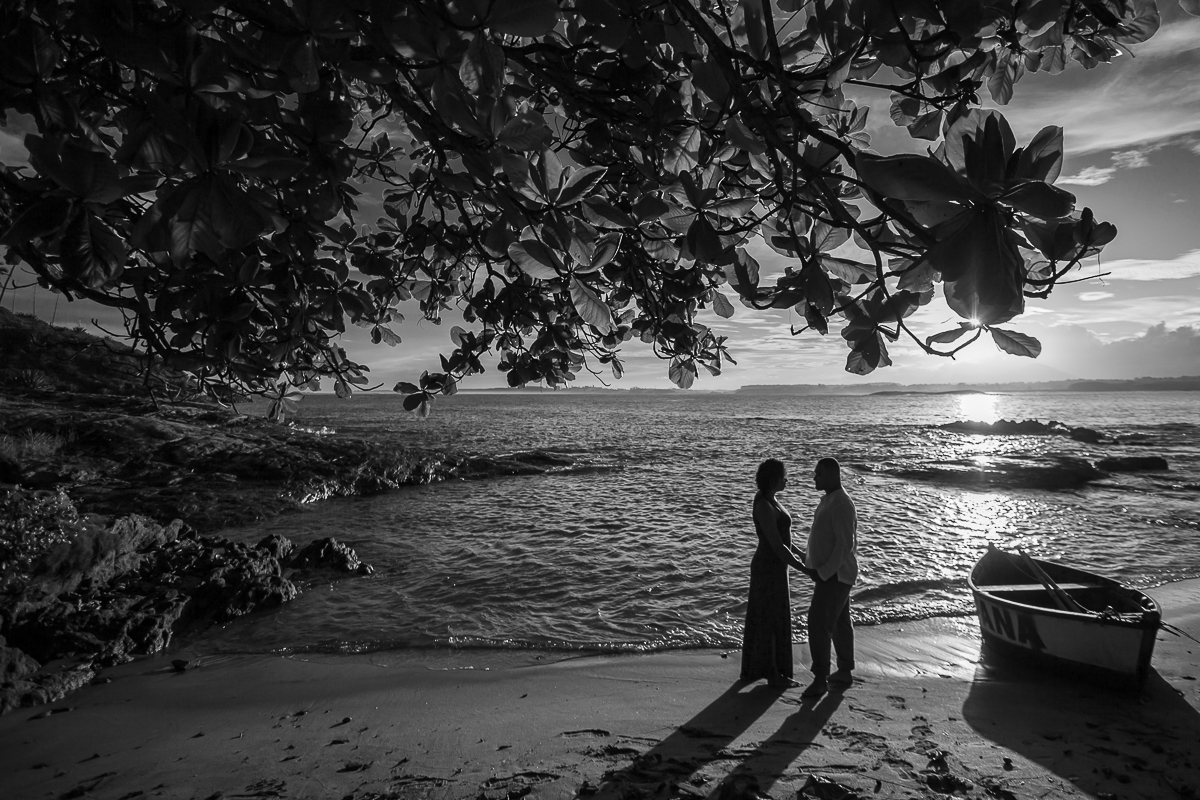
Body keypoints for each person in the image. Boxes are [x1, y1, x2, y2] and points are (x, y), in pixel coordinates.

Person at [741, 458, 810, 688]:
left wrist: (800, 553)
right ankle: (774, 675)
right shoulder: (763, 504)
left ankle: (767, 671)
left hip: (778, 565)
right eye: (783, 476)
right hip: (767, 567)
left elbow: (784, 539)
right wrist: (802, 568)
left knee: (774, 616)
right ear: (773, 479)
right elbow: (776, 544)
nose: (786, 480)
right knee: (769, 618)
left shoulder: (772, 500)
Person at [800, 457, 858, 698]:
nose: (814, 478)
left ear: (833, 475)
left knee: (818, 622)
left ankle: (820, 678)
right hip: (831, 574)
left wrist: (824, 573)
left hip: (835, 575)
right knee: (840, 622)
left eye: (819, 474)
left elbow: (845, 544)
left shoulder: (841, 503)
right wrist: (808, 560)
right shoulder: (830, 500)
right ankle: (844, 670)